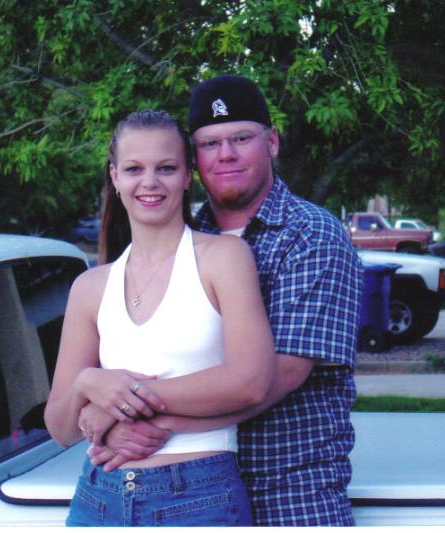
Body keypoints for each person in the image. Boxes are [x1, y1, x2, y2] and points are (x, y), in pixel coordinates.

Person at [86, 75, 363, 526]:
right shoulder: (183, 241)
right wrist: (100, 398)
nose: (226, 154)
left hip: (291, 492)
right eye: (210, 143)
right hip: (187, 492)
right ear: (193, 161)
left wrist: (132, 417)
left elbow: (278, 375)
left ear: (271, 142)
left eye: (241, 138)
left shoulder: (313, 235)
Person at [44, 109, 276, 527]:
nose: (149, 182)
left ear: (187, 176)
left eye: (166, 168)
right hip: (98, 497)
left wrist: (119, 404)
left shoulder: (223, 257)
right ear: (115, 177)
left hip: (199, 496)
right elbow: (61, 428)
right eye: (134, 169)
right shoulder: (90, 286)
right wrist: (88, 384)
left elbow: (251, 381)